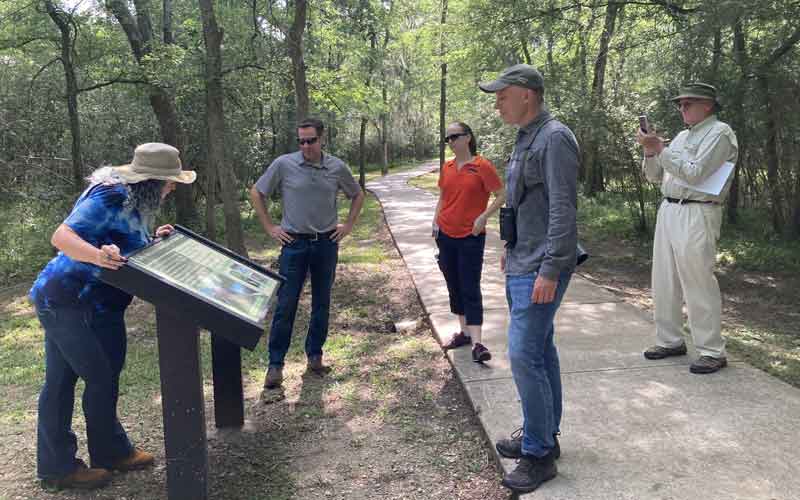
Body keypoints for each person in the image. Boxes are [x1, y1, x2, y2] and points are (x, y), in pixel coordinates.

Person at [28, 143, 196, 490]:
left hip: (103, 306)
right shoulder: (109, 195)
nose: (173, 187)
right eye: (169, 181)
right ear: (150, 180)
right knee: (82, 380)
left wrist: (152, 240)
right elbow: (61, 237)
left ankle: (110, 453)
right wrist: (97, 257)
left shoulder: (140, 201)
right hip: (67, 301)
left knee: (103, 377)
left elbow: (121, 241)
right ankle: (59, 469)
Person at [479, 64, 579, 494]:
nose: (497, 102)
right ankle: (544, 435)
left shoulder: (554, 137)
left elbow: (563, 209)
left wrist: (551, 268)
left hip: (542, 265)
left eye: (502, 94)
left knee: (523, 356)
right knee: (541, 351)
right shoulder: (526, 137)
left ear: (526, 94)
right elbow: (522, 203)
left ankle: (537, 454)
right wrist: (510, 246)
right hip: (523, 259)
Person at [250, 117, 365, 390]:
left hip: (326, 244)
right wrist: (270, 227)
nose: (305, 146)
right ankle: (275, 365)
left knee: (321, 303)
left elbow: (357, 194)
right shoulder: (284, 164)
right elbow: (257, 192)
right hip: (294, 245)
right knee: (286, 305)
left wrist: (348, 225)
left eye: (310, 140)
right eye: (301, 141)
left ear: (322, 138)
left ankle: (315, 356)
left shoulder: (336, 167)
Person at [637, 82, 738, 374]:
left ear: (707, 105)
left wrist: (660, 148)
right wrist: (651, 151)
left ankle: (711, 350)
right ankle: (669, 340)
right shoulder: (681, 136)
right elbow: (655, 177)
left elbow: (696, 174)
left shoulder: (721, 133)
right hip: (669, 208)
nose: (682, 108)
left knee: (698, 281)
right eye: (680, 104)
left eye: (688, 103)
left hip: (698, 211)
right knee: (664, 279)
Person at [433, 122, 505, 363]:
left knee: (470, 286)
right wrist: (435, 223)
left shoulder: (482, 166)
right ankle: (463, 333)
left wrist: (484, 216)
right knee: (453, 284)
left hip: (471, 237)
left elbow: (502, 194)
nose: (451, 142)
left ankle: (478, 343)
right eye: (448, 139)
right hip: (445, 234)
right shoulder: (448, 167)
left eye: (455, 137)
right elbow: (443, 197)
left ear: (468, 138)